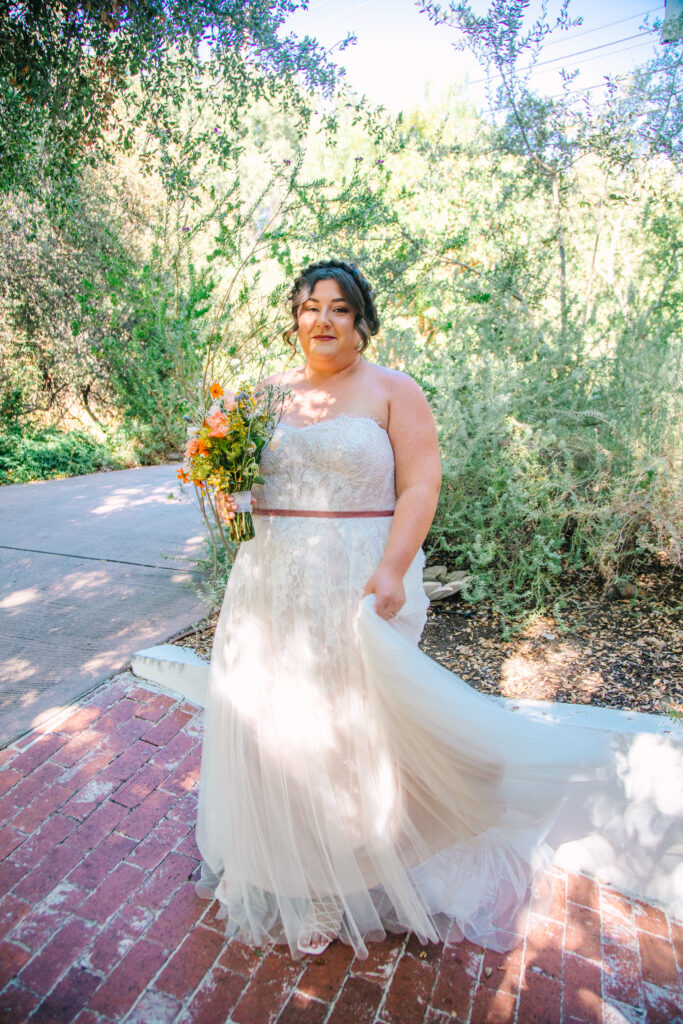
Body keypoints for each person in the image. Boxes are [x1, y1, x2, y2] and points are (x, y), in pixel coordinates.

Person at [195, 259, 608, 960]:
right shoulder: (262, 395)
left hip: (355, 579)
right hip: (269, 582)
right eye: (309, 308)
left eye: (339, 310)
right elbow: (228, 475)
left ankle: (346, 876)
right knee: (276, 724)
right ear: (293, 318)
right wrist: (214, 473)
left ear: (361, 321)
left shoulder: (392, 389)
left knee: (350, 729)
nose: (322, 322)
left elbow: (420, 483)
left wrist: (391, 568)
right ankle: (285, 868)